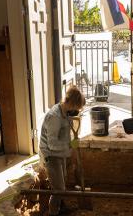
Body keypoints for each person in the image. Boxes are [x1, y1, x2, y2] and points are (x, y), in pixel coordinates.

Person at [39, 85, 85, 216]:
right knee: (59, 189)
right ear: (71, 103)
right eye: (76, 107)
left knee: (62, 182)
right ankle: (53, 212)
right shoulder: (55, 117)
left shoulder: (64, 111)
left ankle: (61, 207)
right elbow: (52, 144)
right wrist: (70, 144)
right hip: (51, 155)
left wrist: (70, 143)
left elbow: (64, 132)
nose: (77, 110)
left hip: (60, 153)